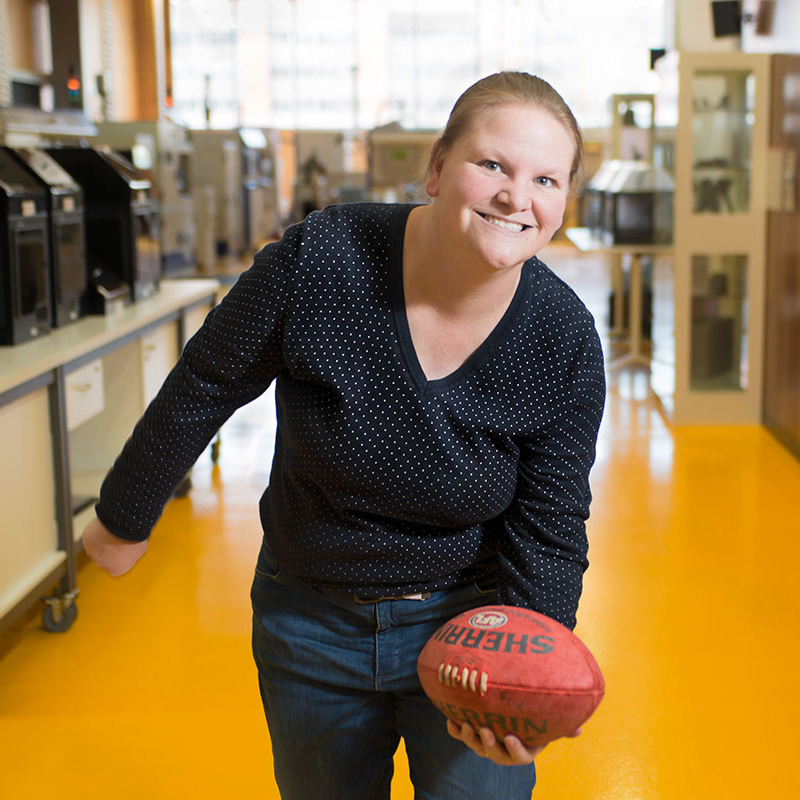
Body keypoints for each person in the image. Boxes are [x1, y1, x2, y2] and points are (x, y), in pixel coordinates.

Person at [82, 71, 605, 799]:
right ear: (436, 170)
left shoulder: (562, 338)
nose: (517, 197)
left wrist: (525, 680)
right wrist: (125, 513)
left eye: (546, 179)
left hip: (472, 623)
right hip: (311, 620)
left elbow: (550, 520)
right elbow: (209, 379)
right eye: (493, 164)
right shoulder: (323, 258)